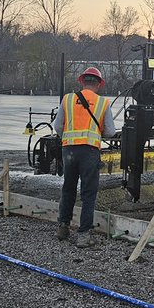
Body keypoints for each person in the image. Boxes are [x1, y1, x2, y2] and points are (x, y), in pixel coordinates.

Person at [52, 67, 116, 248]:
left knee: (68, 188)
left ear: (82, 82)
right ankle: (83, 235)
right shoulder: (103, 103)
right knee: (88, 193)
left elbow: (58, 127)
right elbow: (110, 132)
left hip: (69, 151)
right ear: (99, 84)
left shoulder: (68, 99)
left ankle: (63, 227)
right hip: (89, 152)